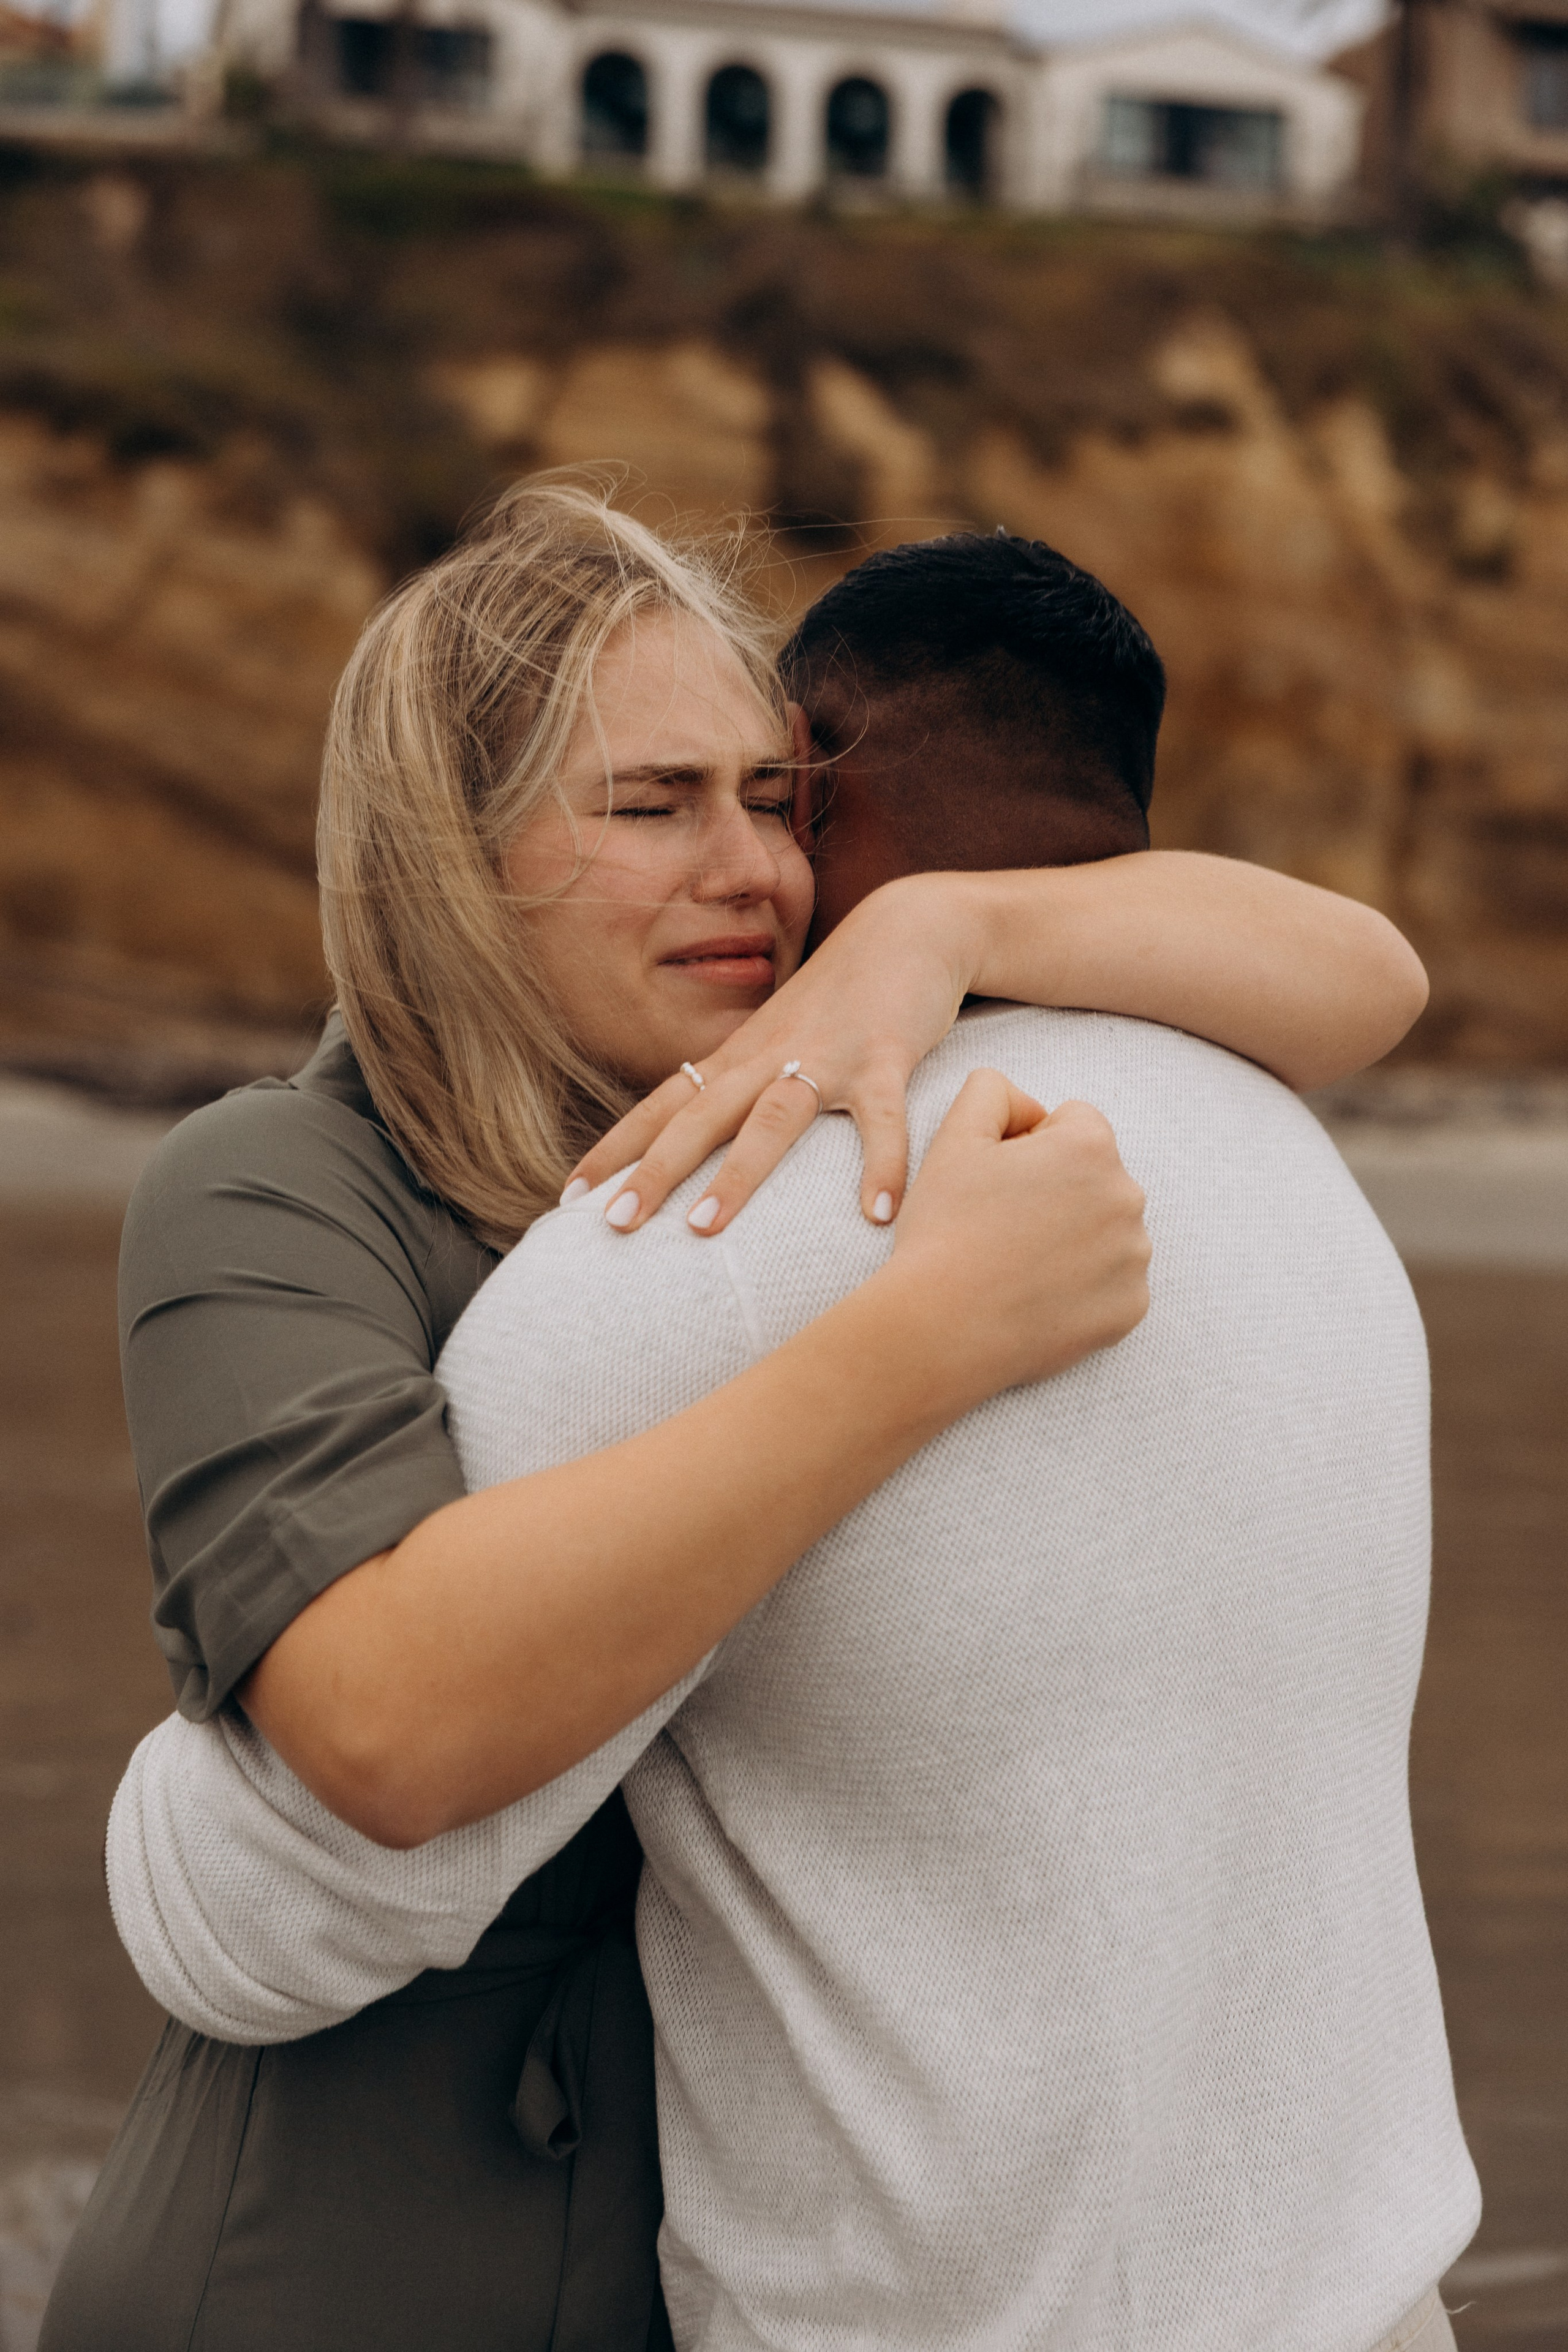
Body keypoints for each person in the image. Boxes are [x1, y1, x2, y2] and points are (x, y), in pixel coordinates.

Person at [62, 499, 1433, 2352]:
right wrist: (929, 1335)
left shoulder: (760, 1137)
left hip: (642, 2257)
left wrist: (945, 917)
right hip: (342, 2265)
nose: (755, 872)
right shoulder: (281, 1185)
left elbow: (1368, 976)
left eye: (777, 802)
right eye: (654, 806)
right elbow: (368, 1743)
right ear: (448, 859)